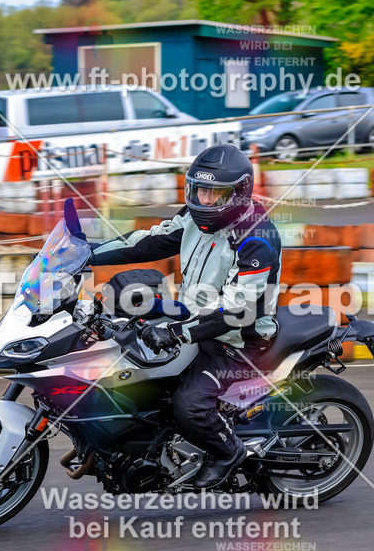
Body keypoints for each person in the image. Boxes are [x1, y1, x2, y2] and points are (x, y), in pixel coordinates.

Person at [89, 144, 282, 488]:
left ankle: (229, 452)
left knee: (189, 404)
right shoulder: (194, 218)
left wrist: (177, 334)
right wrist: (87, 254)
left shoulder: (256, 238)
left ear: (239, 193)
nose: (204, 200)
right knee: (127, 364)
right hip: (194, 320)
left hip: (236, 341)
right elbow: (149, 240)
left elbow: (239, 309)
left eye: (214, 194)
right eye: (200, 190)